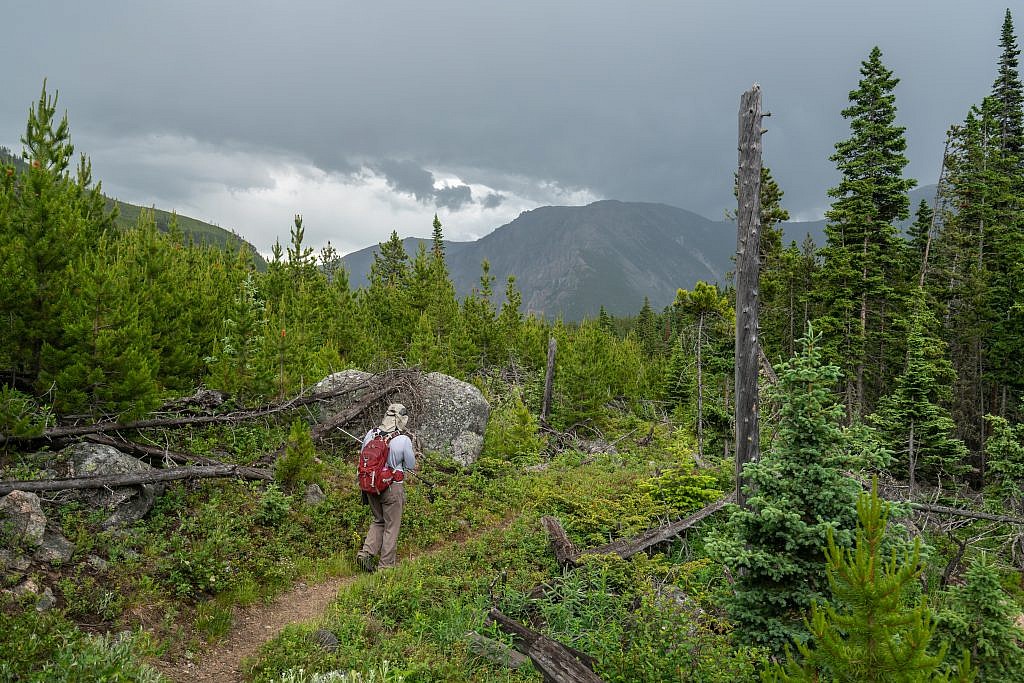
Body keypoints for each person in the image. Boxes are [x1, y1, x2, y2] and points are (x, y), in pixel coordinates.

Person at [357, 403, 416, 572]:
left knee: (378, 520)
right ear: (401, 419)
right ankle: (386, 566)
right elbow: (411, 465)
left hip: (370, 485)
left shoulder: (371, 434)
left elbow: (363, 458)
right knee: (392, 526)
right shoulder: (403, 440)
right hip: (392, 487)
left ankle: (366, 553)